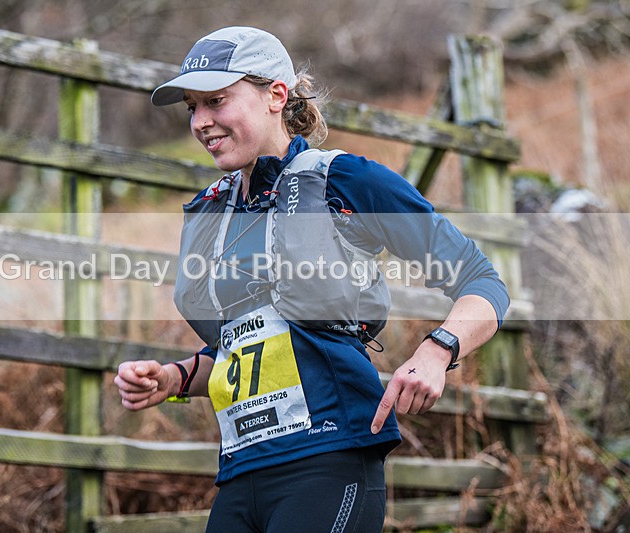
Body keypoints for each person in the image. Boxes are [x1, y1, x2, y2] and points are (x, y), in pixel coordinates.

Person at [114, 26, 509, 532]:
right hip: (241, 471)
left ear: (276, 95)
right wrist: (172, 379)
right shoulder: (217, 211)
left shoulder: (346, 180)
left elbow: (482, 281)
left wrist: (437, 350)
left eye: (216, 100)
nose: (201, 122)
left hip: (328, 459)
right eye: (192, 107)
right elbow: (255, 343)